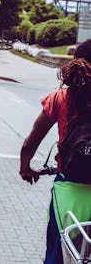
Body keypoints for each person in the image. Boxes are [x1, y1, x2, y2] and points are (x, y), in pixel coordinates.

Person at [19, 40, 91, 264]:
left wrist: (25, 167)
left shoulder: (60, 98)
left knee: (59, 252)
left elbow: (31, 141)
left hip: (68, 191)